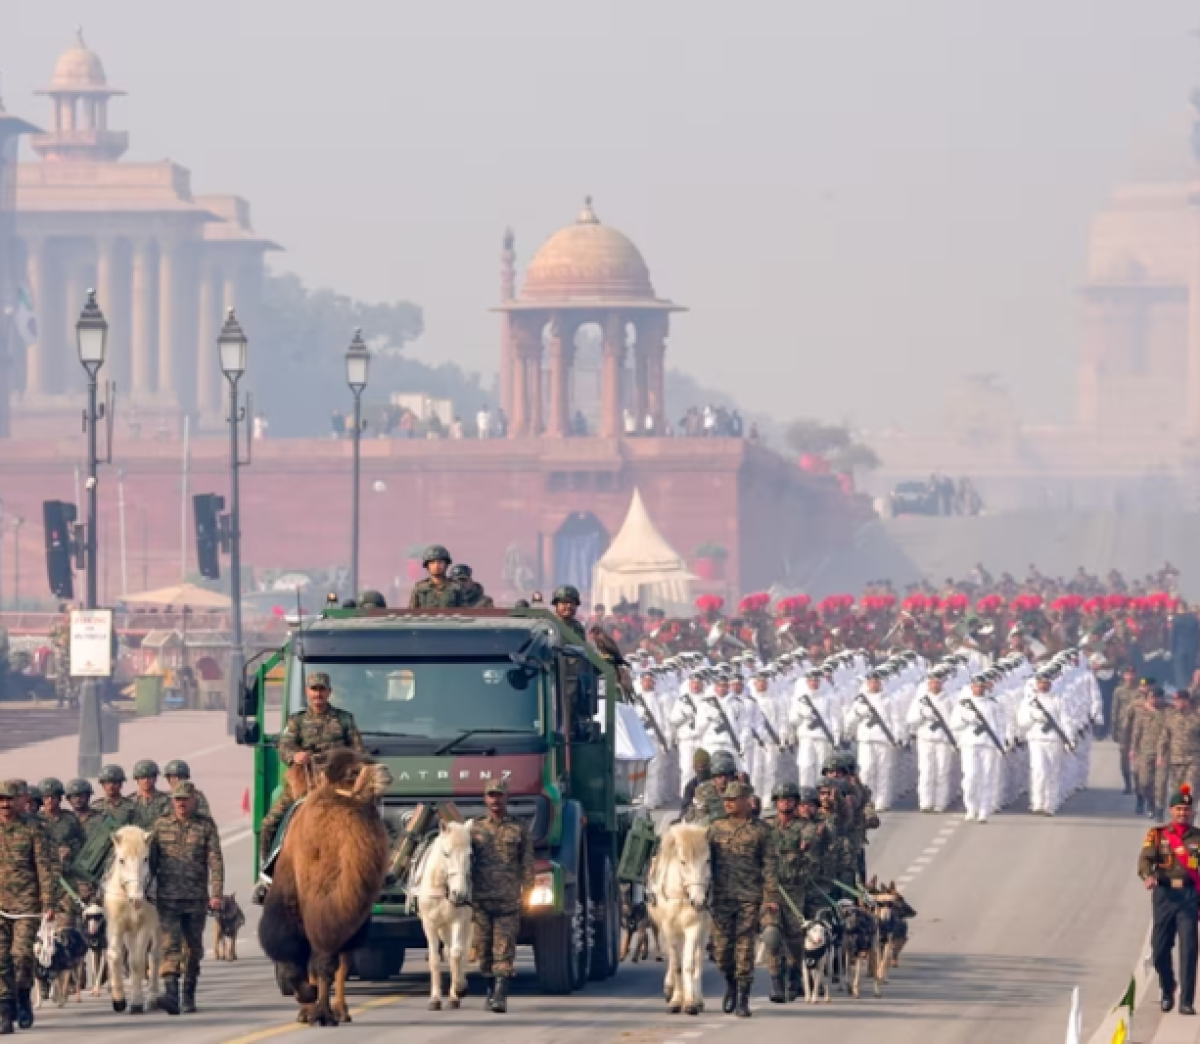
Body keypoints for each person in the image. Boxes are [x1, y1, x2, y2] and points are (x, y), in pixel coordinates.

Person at [257, 672, 364, 868]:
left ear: (329, 692)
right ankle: (267, 872)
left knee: (368, 821)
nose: (318, 694)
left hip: (337, 785)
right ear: (307, 692)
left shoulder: (344, 719)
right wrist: (294, 756)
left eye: (322, 689)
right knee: (268, 824)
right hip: (304, 782)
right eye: (314, 689)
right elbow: (284, 747)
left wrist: (346, 765)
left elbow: (359, 752)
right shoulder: (296, 721)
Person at [152, 781, 224, 1016]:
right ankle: (171, 995)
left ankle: (188, 995)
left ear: (194, 800)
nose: (181, 803)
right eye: (177, 799)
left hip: (195, 899)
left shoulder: (205, 827)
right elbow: (149, 861)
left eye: (185, 799)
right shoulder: (160, 826)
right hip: (168, 898)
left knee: (193, 950)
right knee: (170, 946)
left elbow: (215, 861)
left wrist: (216, 894)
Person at [707, 780, 777, 1017]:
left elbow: (769, 866)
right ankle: (731, 985)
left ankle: (743, 1000)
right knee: (721, 952)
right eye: (725, 799)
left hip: (750, 898)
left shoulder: (761, 831)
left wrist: (770, 897)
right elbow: (705, 863)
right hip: (721, 897)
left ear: (747, 801)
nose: (728, 803)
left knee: (745, 948)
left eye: (733, 799)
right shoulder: (715, 828)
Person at [469, 779, 533, 1014]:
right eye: (491, 796)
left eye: (499, 795)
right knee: (484, 952)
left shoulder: (519, 828)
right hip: (481, 901)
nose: (495, 800)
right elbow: (464, 862)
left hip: (508, 902)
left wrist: (527, 892)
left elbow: (527, 864)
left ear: (507, 797)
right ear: (485, 799)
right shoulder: (475, 828)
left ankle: (500, 995)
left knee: (504, 950)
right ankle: (489, 990)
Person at [1140, 783, 1200, 1015]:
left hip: (1189, 896)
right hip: (1164, 895)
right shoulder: (1158, 835)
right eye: (1178, 809)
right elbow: (1145, 860)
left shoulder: (1198, 838)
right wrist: (1148, 877)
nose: (1182, 813)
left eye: (1186, 810)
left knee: (1189, 949)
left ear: (1192, 812)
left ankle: (1186, 1001)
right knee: (1160, 949)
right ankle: (1167, 988)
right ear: (1171, 810)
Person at [765, 782, 828, 1003]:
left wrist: (807, 843)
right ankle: (775, 984)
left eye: (790, 800)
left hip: (794, 889)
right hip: (770, 890)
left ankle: (793, 980)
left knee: (794, 940)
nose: (785, 803)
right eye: (781, 799)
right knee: (771, 936)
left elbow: (812, 837)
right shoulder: (767, 826)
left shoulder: (805, 827)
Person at [0, 778, 53, 1032]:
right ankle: (4, 1009)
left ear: (23, 800)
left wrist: (49, 901)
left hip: (26, 905)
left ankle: (23, 996)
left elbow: (44, 867)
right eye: (1, 799)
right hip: (0, 906)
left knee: (20, 956)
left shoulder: (34, 829)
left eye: (10, 799)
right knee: (0, 959)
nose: (5, 804)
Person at [38, 777, 86, 922]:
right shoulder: (35, 820)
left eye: (53, 797)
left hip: (67, 877)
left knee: (68, 919)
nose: (49, 801)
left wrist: (69, 851)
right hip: (43, 878)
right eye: (46, 797)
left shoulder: (70, 819)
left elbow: (82, 843)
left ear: (59, 798)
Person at [1158, 688, 1200, 801]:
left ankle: (1190, 815)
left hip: (1193, 759)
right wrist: (1160, 756)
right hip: (1176, 760)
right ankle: (1179, 816)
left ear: (1186, 701)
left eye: (1178, 700)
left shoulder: (1196, 717)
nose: (1176, 703)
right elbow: (1164, 738)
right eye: (1175, 700)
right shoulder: (1171, 717)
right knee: (1177, 792)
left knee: (1190, 789)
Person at [1112, 666, 1142, 796]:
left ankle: (1138, 784)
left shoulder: (1141, 690)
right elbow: (1114, 710)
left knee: (1139, 757)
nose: (1130, 677)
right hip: (1123, 728)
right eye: (1128, 674)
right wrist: (1114, 730)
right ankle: (1128, 784)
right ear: (1124, 676)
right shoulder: (1119, 691)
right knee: (1124, 758)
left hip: (1138, 726)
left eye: (1132, 674)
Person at [131, 760, 173, 830]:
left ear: (155, 778)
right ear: (137, 779)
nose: (146, 781)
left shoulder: (166, 800)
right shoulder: (130, 802)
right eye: (142, 777)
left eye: (149, 777)